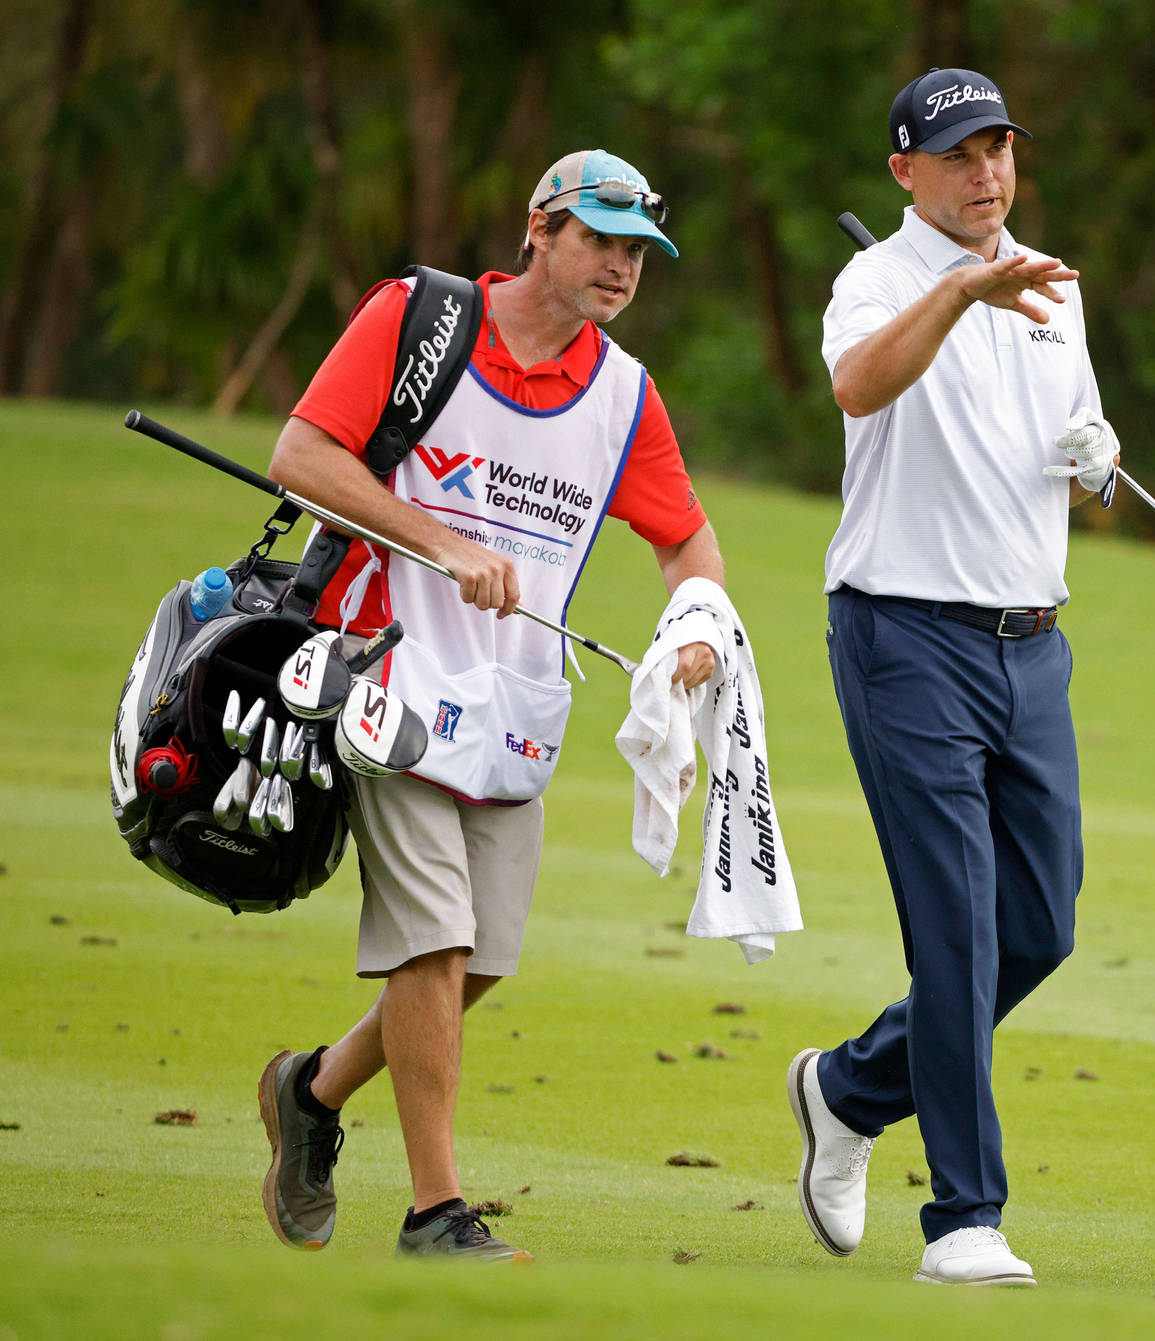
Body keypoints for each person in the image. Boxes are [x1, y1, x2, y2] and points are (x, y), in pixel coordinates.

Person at [257, 149, 725, 1261]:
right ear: (541, 231)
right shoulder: (422, 319)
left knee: (485, 959)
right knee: (435, 944)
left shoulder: (624, 395)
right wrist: (437, 536)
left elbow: (686, 541)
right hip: (389, 678)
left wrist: (697, 623)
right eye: (601, 240)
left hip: (514, 709)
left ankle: (310, 1096)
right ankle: (435, 1214)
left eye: (637, 251)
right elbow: (298, 455)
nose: (620, 267)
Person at [787, 69, 1119, 1287]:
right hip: (904, 640)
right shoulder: (874, 283)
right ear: (904, 174)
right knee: (958, 929)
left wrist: (1097, 454)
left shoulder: (1053, 288)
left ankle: (849, 1087)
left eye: (1000, 150)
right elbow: (859, 384)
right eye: (959, 154)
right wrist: (962, 292)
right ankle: (965, 1217)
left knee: (1042, 925)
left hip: (1032, 646)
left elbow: (1067, 441)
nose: (987, 173)